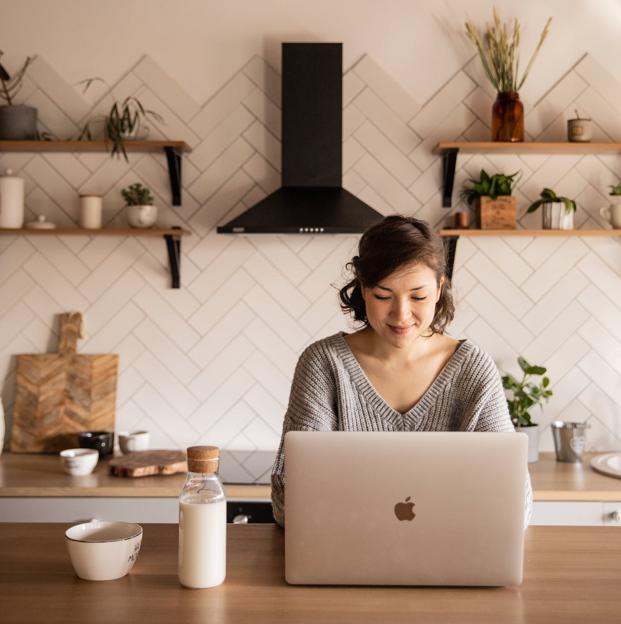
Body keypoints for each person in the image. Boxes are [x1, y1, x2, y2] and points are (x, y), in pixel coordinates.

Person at [270, 215, 532, 527]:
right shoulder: (324, 364)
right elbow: (289, 503)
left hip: (451, 563)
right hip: (346, 563)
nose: (401, 314)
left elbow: (514, 504)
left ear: (439, 289)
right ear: (364, 290)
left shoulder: (472, 369)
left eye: (418, 296)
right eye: (383, 296)